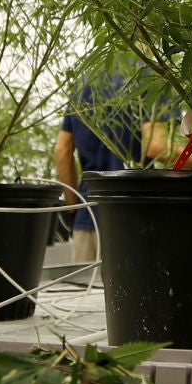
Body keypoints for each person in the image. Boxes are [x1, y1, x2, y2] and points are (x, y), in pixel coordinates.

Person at [54, 73, 144, 263]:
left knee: (81, 289)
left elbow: (62, 151)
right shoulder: (145, 76)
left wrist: (73, 209)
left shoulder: (81, 85)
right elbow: (158, 146)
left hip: (86, 215)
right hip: (132, 219)